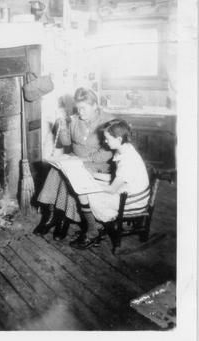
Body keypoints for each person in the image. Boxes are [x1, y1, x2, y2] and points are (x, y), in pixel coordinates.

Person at [33, 87, 113, 240]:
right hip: (75, 158)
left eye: (83, 108)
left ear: (95, 105)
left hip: (97, 164)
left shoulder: (107, 121)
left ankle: (64, 220)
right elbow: (66, 142)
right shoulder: (75, 119)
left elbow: (107, 153)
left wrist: (82, 160)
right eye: (78, 108)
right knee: (56, 170)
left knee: (71, 175)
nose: (80, 112)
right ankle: (51, 216)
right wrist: (62, 128)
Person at [70, 118, 150, 249]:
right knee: (88, 186)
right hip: (129, 193)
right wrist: (93, 175)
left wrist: (88, 183)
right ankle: (96, 227)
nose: (105, 141)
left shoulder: (127, 160)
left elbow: (112, 189)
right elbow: (116, 178)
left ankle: (92, 232)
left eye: (107, 138)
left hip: (132, 202)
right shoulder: (126, 149)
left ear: (118, 139)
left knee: (83, 193)